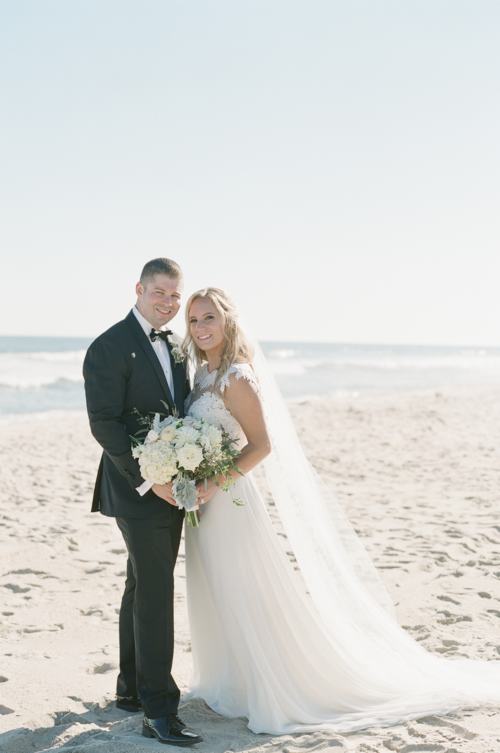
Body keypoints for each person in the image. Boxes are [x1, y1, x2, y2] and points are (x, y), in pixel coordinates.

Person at [181, 286, 500, 735]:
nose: (200, 327)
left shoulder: (237, 376)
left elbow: (262, 445)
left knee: (243, 588)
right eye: (193, 320)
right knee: (217, 589)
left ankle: (268, 684)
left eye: (209, 317)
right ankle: (232, 681)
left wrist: (214, 482)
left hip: (230, 501)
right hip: (204, 506)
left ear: (227, 320)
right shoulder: (201, 376)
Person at [83, 259, 202, 747]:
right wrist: (148, 481)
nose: (168, 303)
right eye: (160, 293)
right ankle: (159, 711)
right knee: (155, 591)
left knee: (141, 583)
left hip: (173, 484)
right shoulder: (108, 345)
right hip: (137, 489)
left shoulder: (175, 345)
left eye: (175, 295)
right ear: (139, 289)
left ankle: (131, 688)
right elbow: (104, 423)